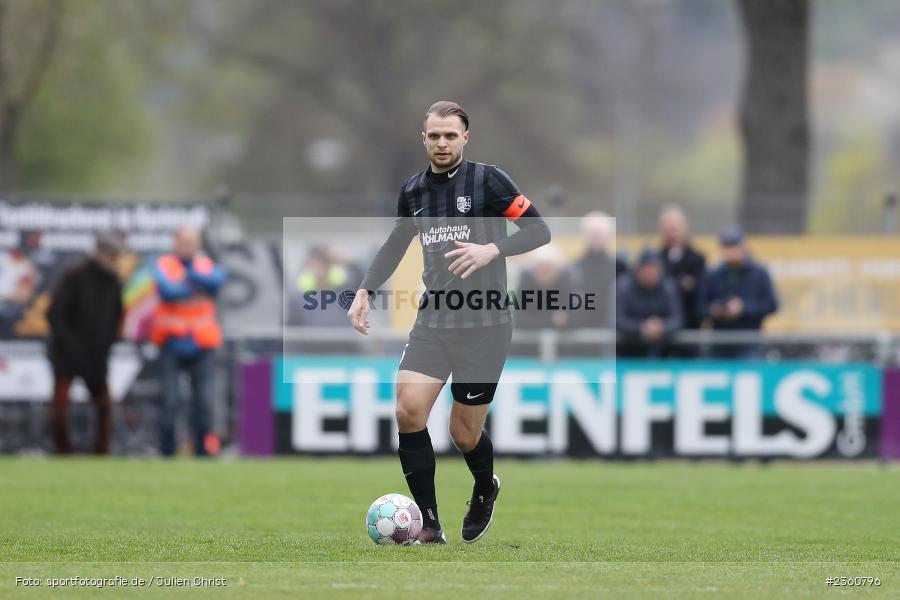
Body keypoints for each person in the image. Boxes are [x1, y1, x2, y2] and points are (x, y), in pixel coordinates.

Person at [347, 101, 550, 544]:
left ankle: (485, 486)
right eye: (435, 136)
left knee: (463, 433)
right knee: (408, 411)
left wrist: (492, 249)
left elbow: (539, 231)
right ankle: (429, 524)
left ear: (465, 138)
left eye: (450, 136)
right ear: (424, 139)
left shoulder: (489, 181)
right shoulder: (413, 190)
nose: (442, 143)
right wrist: (364, 290)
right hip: (434, 321)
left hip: (486, 325)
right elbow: (396, 243)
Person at [150, 226, 227, 457]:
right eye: (184, 241)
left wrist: (189, 278)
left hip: (202, 345)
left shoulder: (205, 264)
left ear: (199, 244)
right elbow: (168, 292)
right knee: (169, 401)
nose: (188, 245)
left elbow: (217, 281)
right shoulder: (164, 263)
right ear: (175, 242)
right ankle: (166, 452)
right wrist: (199, 283)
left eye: (192, 241)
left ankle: (202, 452)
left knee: (204, 402)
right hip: (171, 343)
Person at [46, 234, 124, 454]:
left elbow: (116, 317)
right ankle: (63, 450)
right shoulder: (75, 276)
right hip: (66, 355)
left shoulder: (113, 282)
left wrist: (107, 344)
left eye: (115, 256)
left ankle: (101, 451)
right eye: (110, 255)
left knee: (104, 404)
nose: (112, 260)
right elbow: (55, 314)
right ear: (99, 253)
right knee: (60, 405)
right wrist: (71, 346)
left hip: (96, 356)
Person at [699, 227, 778, 359]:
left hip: (749, 342)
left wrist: (743, 307)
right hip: (719, 342)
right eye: (726, 246)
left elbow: (772, 305)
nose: (730, 251)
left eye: (733, 246)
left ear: (743, 247)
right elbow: (700, 307)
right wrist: (715, 310)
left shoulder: (759, 273)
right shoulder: (713, 275)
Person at [615, 249, 683, 358]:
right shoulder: (624, 287)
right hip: (628, 351)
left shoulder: (668, 287)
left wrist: (661, 327)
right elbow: (619, 320)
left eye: (654, 270)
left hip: (662, 351)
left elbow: (677, 319)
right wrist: (642, 327)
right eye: (647, 269)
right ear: (638, 270)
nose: (651, 274)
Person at [658, 205, 706, 357]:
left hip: (690, 327)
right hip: (661, 331)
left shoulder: (697, 259)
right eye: (667, 227)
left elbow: (699, 291)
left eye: (674, 227)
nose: (671, 232)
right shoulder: (656, 259)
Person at [568, 211, 616, 329]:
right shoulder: (574, 268)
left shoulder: (617, 268)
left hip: (609, 330)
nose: (596, 238)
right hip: (580, 330)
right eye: (592, 234)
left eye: (600, 234)